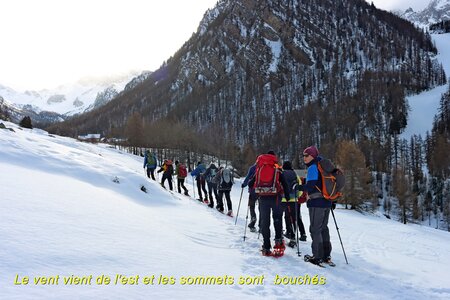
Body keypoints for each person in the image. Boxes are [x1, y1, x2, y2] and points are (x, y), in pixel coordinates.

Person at [249, 151, 291, 256]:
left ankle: (266, 246)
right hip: (276, 198)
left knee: (265, 222)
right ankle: (278, 242)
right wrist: (287, 196)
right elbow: (285, 184)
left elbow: (250, 183)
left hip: (263, 199)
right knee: (277, 219)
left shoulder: (259, 169)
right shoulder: (277, 170)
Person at [297, 146, 333, 265]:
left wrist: (298, 187)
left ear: (313, 156)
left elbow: (310, 186)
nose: (304, 158)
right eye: (303, 156)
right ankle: (326, 255)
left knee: (315, 229)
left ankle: (317, 256)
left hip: (316, 202)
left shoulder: (313, 167)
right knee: (324, 228)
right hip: (327, 202)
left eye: (306, 155)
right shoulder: (324, 167)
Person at [281, 161, 307, 247]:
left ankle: (288, 233)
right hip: (294, 200)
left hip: (284, 199)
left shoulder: (282, 174)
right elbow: (299, 187)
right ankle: (293, 236)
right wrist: (297, 197)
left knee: (285, 216)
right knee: (294, 217)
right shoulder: (295, 175)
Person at [241, 163, 258, 232]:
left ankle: (253, 220)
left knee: (251, 206)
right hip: (264, 191)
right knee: (262, 209)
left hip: (253, 190)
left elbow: (248, 177)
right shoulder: (267, 167)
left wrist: (244, 184)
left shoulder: (253, 168)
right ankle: (262, 225)